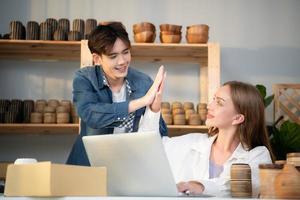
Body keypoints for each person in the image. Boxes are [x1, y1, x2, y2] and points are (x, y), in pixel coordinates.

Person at [67, 22, 167, 166]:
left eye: (125, 52)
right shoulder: (85, 78)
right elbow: (91, 114)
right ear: (97, 58)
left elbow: (161, 134)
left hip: (128, 168)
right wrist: (142, 102)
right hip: (88, 167)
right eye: (113, 56)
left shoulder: (143, 82)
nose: (122, 61)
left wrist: (155, 110)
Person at [162, 81, 273, 197]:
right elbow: (152, 147)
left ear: (238, 118)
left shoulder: (258, 156)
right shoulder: (191, 142)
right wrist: (153, 110)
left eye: (219, 102)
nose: (209, 106)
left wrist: (200, 186)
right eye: (213, 99)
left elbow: (235, 186)